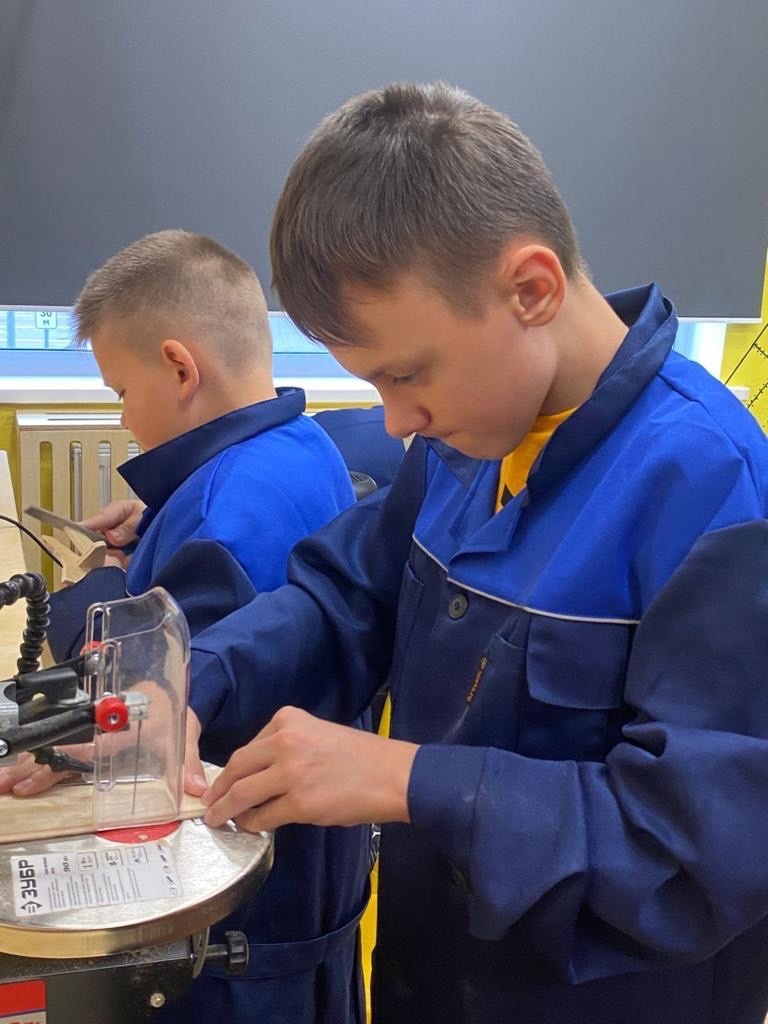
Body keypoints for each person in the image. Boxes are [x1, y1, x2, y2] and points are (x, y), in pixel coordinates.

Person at [183, 83, 768, 1024]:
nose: (393, 421)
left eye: (406, 373)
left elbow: (695, 853)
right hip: (429, 977)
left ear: (531, 289)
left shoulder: (711, 484)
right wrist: (190, 682)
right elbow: (347, 599)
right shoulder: (468, 436)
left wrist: (409, 779)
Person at [0, 230, 370, 1024]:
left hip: (246, 932)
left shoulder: (228, 517)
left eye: (121, 391)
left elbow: (136, 687)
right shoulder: (296, 444)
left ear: (179, 367)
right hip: (309, 895)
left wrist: (100, 578)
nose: (123, 416)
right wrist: (156, 522)